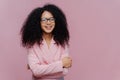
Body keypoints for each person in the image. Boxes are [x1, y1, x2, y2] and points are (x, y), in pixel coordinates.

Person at [20, 4, 72, 80]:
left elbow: (64, 71)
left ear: (56, 21)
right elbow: (36, 71)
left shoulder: (62, 41)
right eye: (44, 20)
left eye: (51, 19)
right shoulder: (32, 44)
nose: (48, 23)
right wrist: (61, 64)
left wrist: (42, 70)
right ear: (38, 22)